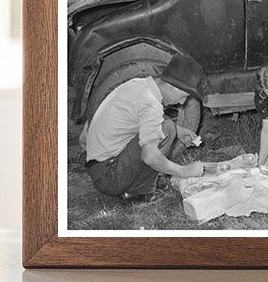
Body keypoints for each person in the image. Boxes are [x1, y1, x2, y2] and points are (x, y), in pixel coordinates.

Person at [85, 55, 208, 201]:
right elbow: (149, 156)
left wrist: (178, 131)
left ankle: (134, 186)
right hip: (109, 175)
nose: (182, 102)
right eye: (184, 96)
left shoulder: (139, 84)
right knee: (166, 128)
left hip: (99, 168)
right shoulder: (150, 104)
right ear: (172, 86)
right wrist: (184, 170)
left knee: (169, 127)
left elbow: (141, 117)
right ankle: (137, 193)